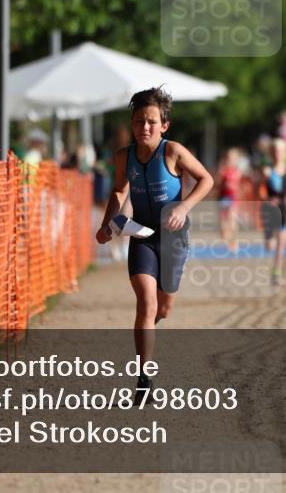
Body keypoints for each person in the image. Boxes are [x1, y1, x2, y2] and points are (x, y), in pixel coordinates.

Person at [95, 87, 213, 404]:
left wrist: (183, 207)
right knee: (146, 303)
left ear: (164, 125)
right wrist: (107, 224)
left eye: (150, 122)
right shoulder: (124, 157)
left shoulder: (173, 151)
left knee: (163, 309)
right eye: (138, 122)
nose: (144, 128)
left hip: (173, 239)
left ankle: (145, 331)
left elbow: (207, 180)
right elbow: (119, 192)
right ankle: (144, 378)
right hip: (142, 237)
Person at [261, 138, 286, 286]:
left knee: (282, 244)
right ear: (271, 153)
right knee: (270, 245)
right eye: (275, 151)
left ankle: (276, 274)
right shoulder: (267, 171)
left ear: (285, 153)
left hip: (284, 209)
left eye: (281, 151)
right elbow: (259, 192)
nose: (278, 154)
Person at [218, 147, 243, 255]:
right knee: (223, 223)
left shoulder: (238, 171)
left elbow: (238, 185)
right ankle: (226, 238)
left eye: (233, 159)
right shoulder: (223, 170)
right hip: (223, 198)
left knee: (233, 221)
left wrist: (232, 185)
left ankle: (234, 242)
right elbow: (218, 183)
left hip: (233, 198)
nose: (230, 161)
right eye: (228, 158)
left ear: (236, 160)